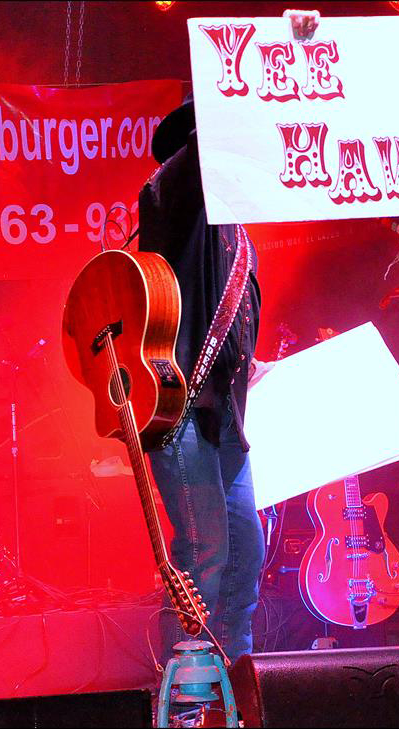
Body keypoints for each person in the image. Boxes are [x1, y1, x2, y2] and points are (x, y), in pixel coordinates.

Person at [138, 93, 270, 661]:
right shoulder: (171, 196)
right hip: (180, 411)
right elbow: (193, 167)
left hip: (222, 418)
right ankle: (186, 687)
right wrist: (224, 100)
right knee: (204, 553)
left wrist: (248, 362)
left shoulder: (237, 233)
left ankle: (234, 677)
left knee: (245, 552)